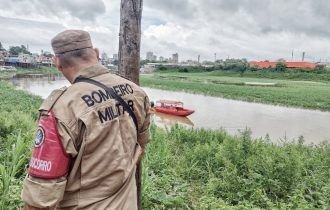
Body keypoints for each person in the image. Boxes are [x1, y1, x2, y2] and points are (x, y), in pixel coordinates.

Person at [22, 30, 151, 210]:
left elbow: (40, 200)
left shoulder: (63, 107)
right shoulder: (136, 91)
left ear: (57, 63)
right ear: (96, 53)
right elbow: (141, 146)